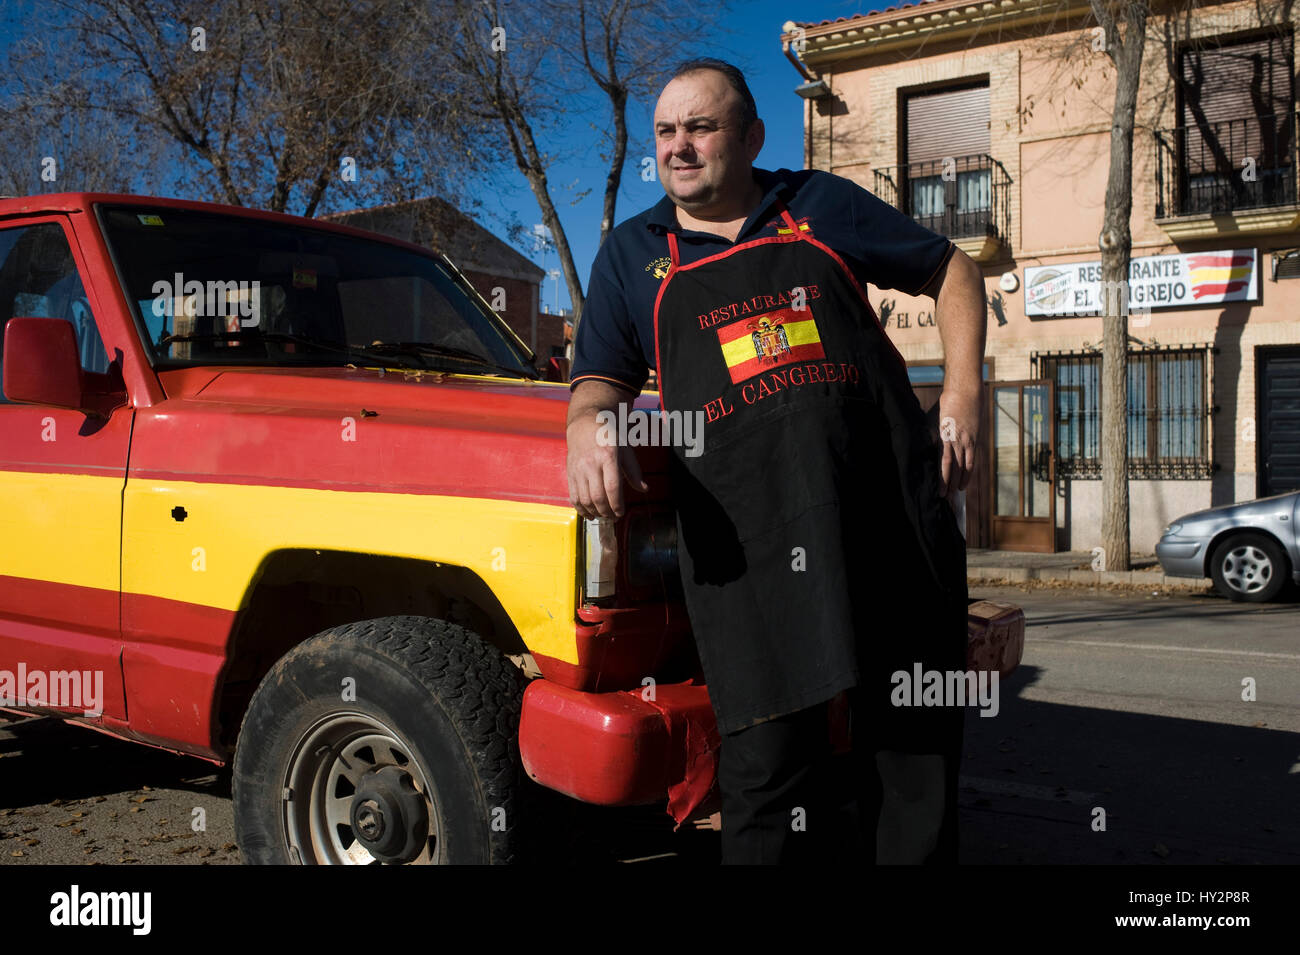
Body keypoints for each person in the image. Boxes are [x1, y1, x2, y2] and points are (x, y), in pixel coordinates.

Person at [565, 58, 987, 864]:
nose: (678, 147)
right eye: (664, 131)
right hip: (751, 559)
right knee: (766, 779)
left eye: (701, 127)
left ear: (752, 137)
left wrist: (962, 392)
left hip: (890, 526)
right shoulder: (631, 254)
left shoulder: (817, 205)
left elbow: (952, 270)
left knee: (913, 768)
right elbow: (598, 381)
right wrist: (588, 428)